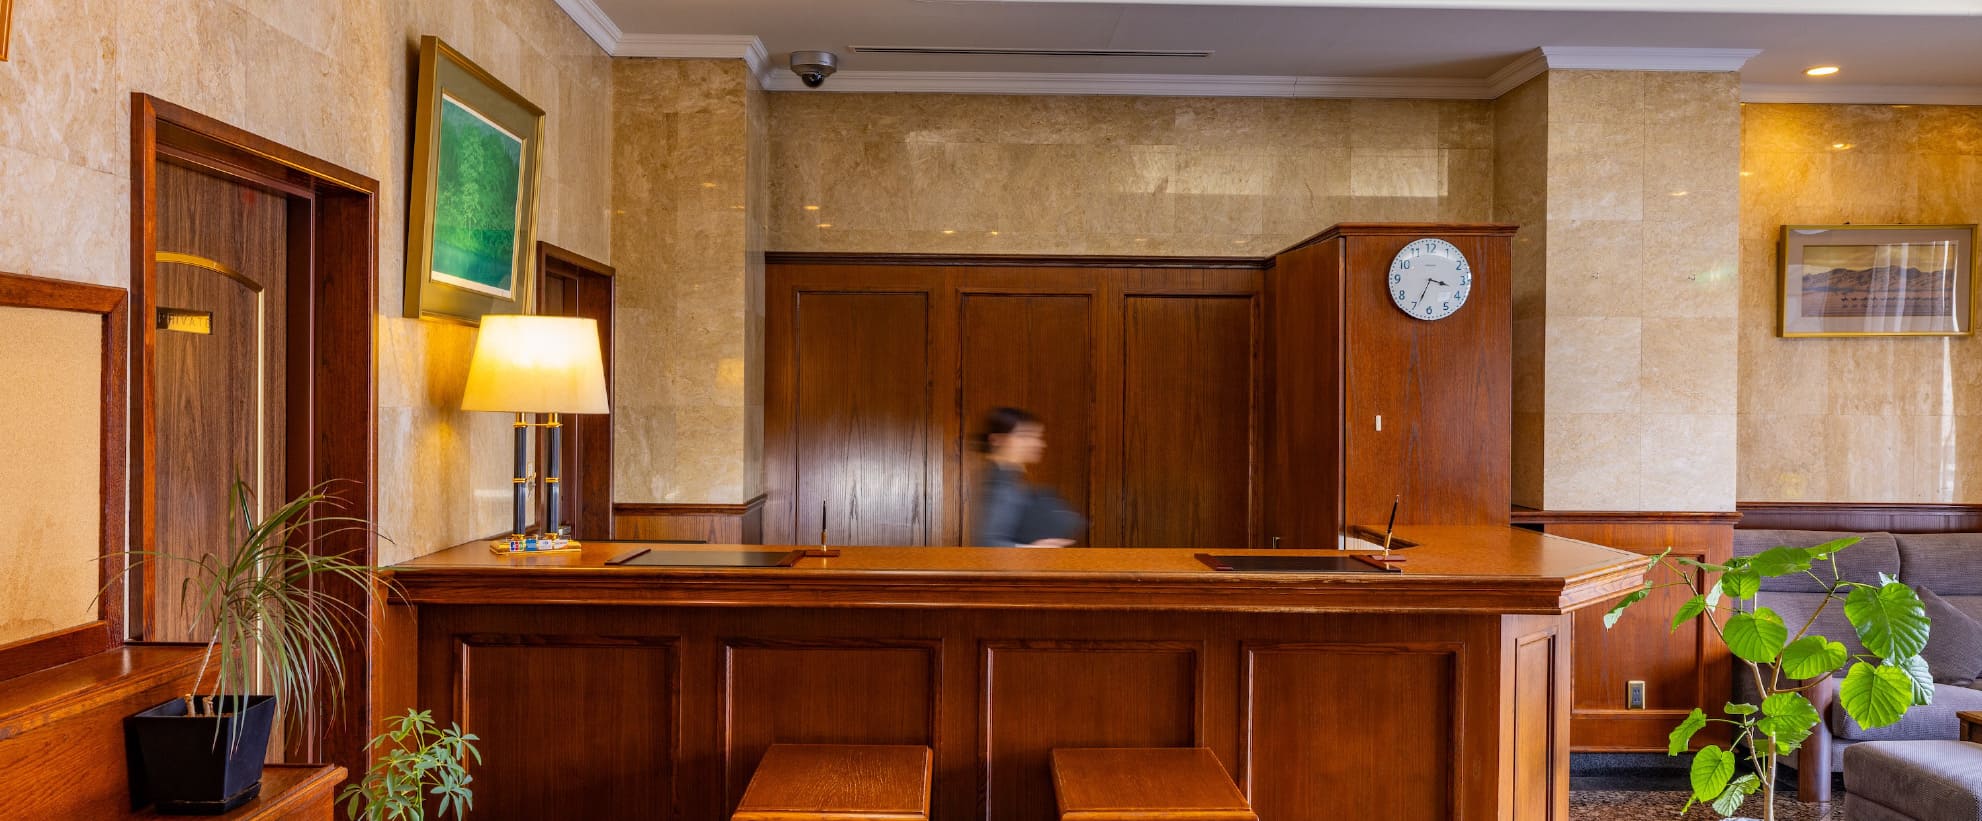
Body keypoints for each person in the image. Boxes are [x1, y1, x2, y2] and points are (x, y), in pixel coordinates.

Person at [970, 407, 1084, 547]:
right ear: (997, 440)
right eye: (1025, 436)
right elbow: (988, 543)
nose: (1038, 443)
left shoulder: (1010, 478)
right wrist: (1033, 549)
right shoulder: (999, 482)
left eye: (1037, 437)